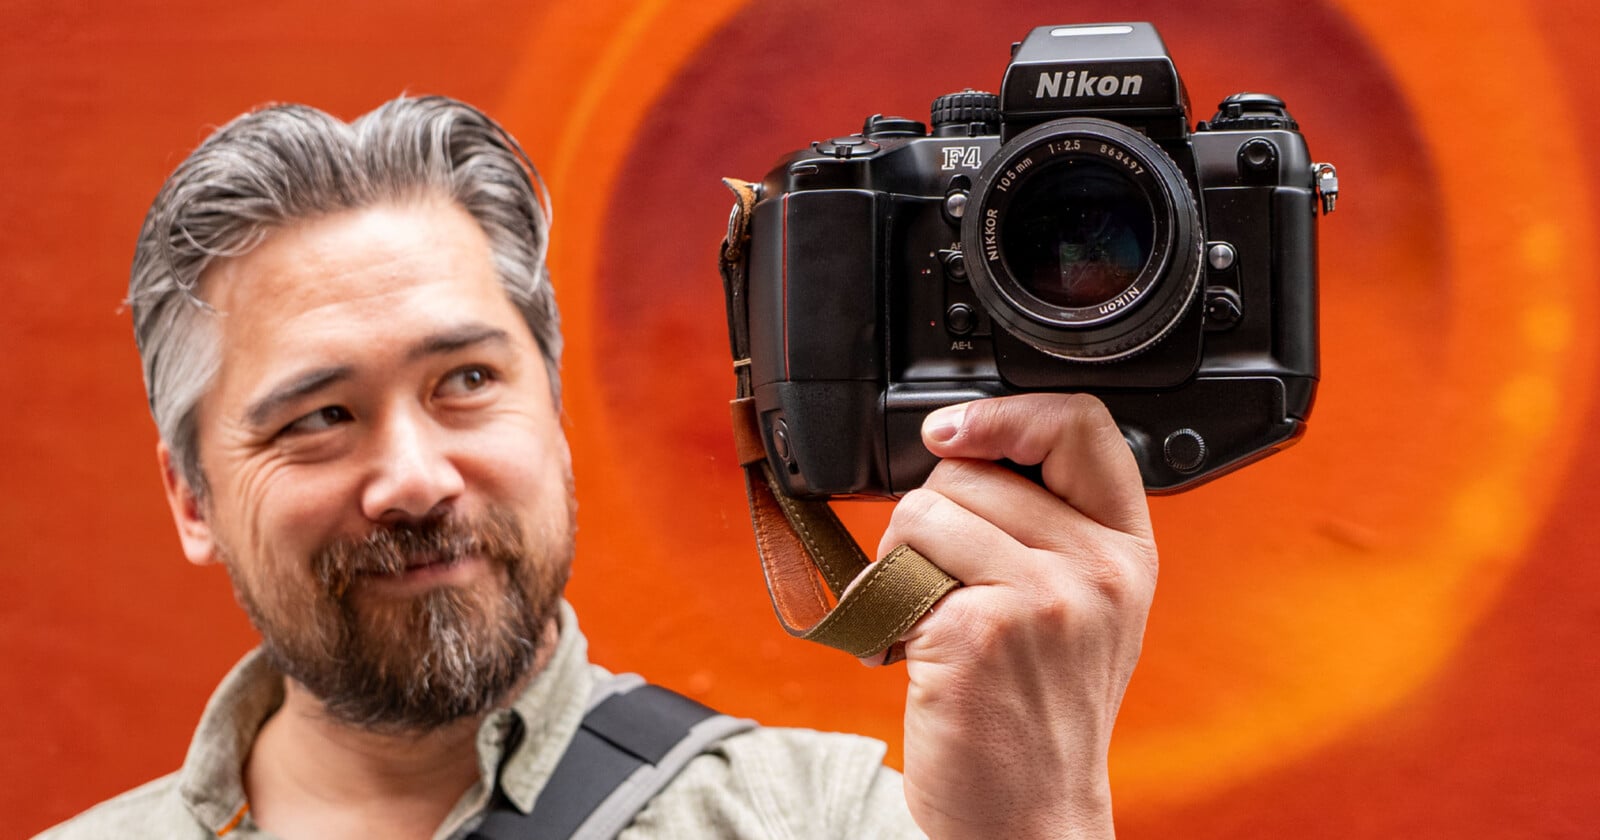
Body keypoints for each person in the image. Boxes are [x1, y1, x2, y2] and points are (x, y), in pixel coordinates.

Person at [41, 95, 1158, 839]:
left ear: (553, 409)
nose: (416, 477)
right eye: (320, 416)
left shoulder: (833, 820)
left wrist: (1039, 820)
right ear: (190, 497)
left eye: (467, 381)